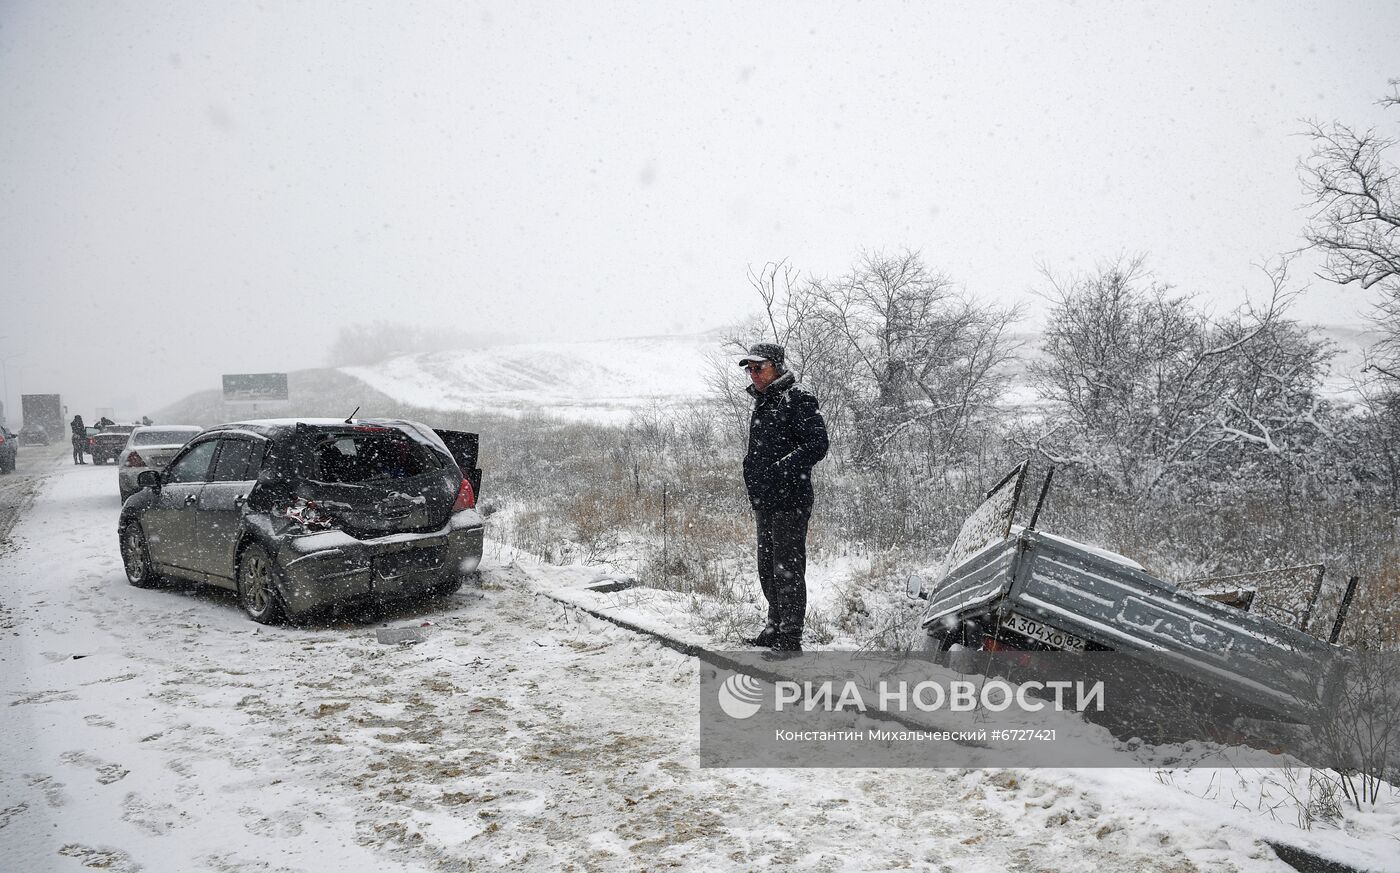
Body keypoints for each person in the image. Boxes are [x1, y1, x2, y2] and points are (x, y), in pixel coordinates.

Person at [738, 342, 828, 659]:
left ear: (776, 366)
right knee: (766, 568)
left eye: (758, 367)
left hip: (791, 499)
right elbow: (760, 452)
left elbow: (818, 445)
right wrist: (752, 474)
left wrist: (779, 470)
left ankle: (790, 636)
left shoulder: (797, 399)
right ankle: (774, 626)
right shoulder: (763, 403)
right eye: (749, 368)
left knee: (786, 568)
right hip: (766, 501)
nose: (753, 373)